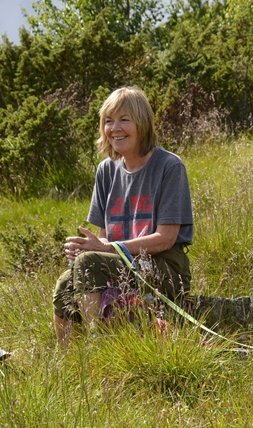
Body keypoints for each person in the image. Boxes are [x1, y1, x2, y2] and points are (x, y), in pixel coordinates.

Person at [52, 86, 194, 343]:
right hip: (123, 264)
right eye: (108, 121)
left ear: (142, 123)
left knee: (87, 265)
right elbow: (103, 240)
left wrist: (105, 250)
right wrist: (89, 248)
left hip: (163, 264)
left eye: (124, 120)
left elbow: (166, 238)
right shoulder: (106, 170)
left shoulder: (169, 166)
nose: (115, 128)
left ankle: (100, 346)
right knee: (67, 280)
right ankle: (71, 363)